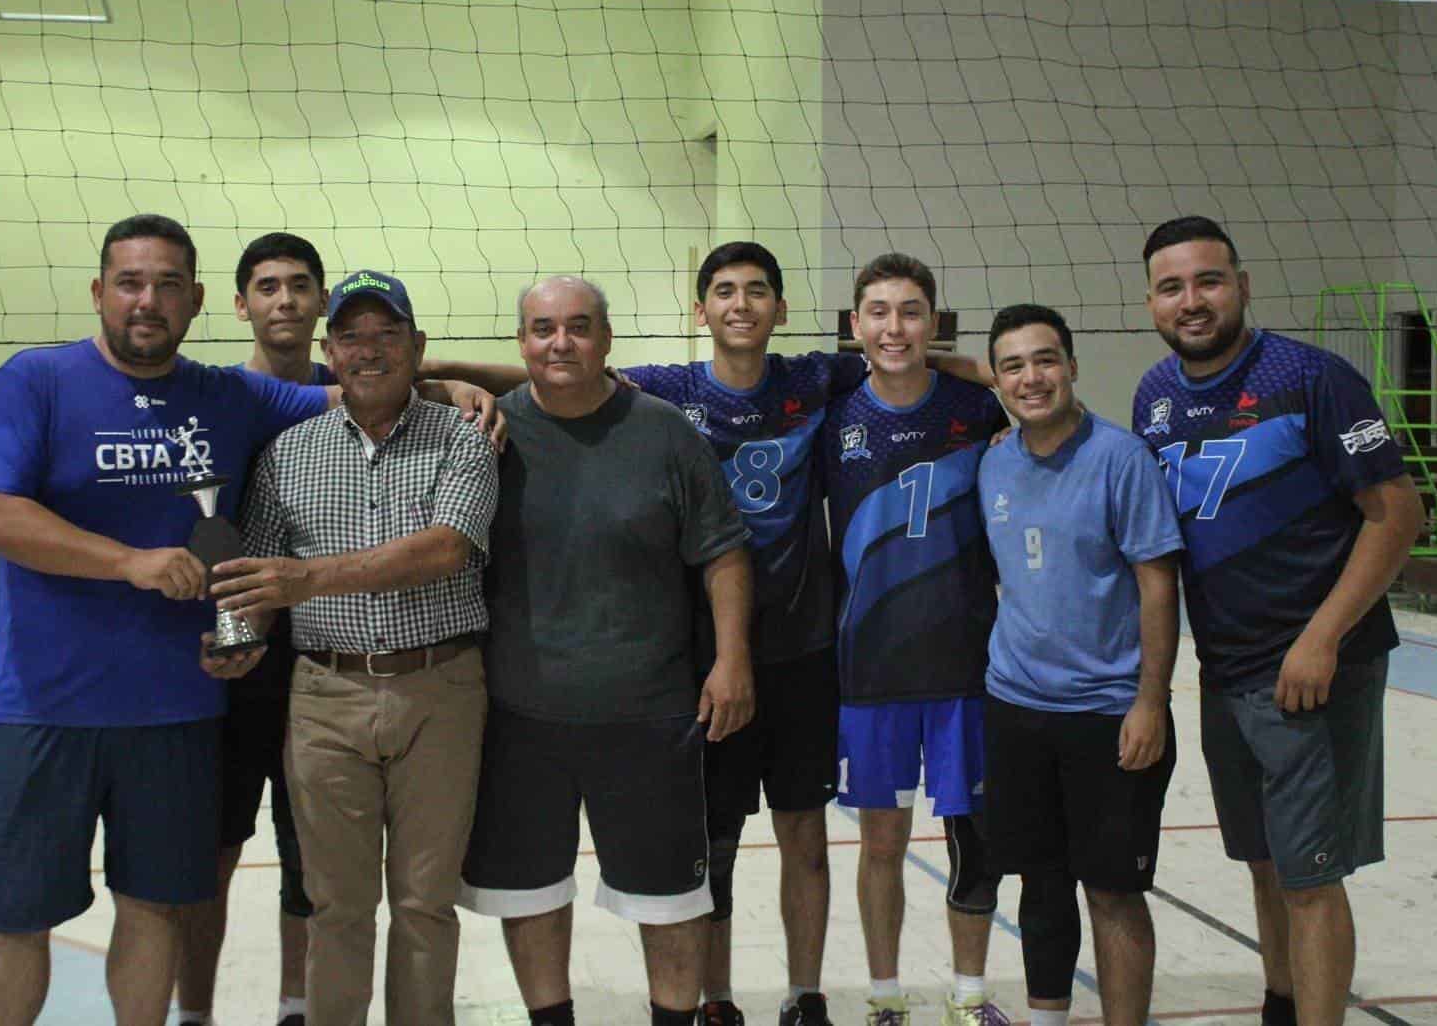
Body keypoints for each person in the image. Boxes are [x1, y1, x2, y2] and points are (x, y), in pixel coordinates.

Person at [425, 241, 992, 1026]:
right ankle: (717, 1000)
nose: (741, 304)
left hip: (800, 650)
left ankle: (805, 995)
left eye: (758, 291)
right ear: (702, 311)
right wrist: (446, 377)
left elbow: (914, 366)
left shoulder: (815, 378)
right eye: (724, 291)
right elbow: (546, 377)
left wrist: (1004, 377)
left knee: (802, 835)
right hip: (697, 660)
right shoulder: (666, 390)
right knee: (713, 848)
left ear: (782, 311)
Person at [0, 214, 332, 1026]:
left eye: (167, 285)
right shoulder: (34, 382)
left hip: (178, 712)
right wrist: (127, 561)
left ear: (197, 300)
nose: (147, 300)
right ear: (99, 293)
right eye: (130, 282)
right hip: (46, 710)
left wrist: (458, 383)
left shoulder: (230, 394)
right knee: (18, 916)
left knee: (156, 907)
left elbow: (364, 387)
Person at [1132, 216, 1423, 1026]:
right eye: (1172, 286)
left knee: (1310, 876)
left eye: (1209, 281)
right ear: (1151, 301)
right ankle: (1282, 1005)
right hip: (1227, 671)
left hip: (1315, 668)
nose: (1192, 301)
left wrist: (1321, 637)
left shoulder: (1313, 378)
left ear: (1243, 285)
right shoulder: (1155, 396)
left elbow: (1396, 513)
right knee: (1263, 861)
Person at [206, 269, 500, 1026]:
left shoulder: (462, 440)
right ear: (328, 353)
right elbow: (259, 582)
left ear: (419, 347)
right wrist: (238, 639)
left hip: (439, 691)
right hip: (325, 700)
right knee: (334, 904)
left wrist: (306, 579)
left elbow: (445, 550)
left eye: (386, 334)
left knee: (425, 903)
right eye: (351, 336)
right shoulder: (288, 453)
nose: (368, 351)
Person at [458, 275, 755, 1026]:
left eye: (579, 326)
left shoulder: (665, 432)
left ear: (607, 338)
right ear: (521, 341)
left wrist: (732, 660)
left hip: (650, 711)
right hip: (521, 712)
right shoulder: (485, 435)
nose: (561, 343)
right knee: (529, 891)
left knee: (671, 898)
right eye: (544, 328)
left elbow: (722, 552)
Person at [977, 304, 1183, 1026]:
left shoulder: (1121, 459)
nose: (1031, 377)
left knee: (1114, 892)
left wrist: (1149, 703)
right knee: (1040, 880)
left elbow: (1159, 585)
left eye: (1045, 360)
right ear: (996, 379)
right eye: (1013, 366)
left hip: (1109, 714)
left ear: (1071, 365)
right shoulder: (994, 459)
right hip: (1017, 709)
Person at [819, 254, 1010, 1026]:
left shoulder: (979, 405)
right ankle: (885, 997)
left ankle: (968, 995)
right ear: (856, 323)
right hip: (870, 670)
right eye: (879, 312)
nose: (894, 326)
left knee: (972, 844)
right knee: (882, 846)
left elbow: (1050, 401)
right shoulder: (831, 414)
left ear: (934, 323)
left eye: (910, 312)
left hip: (968, 667)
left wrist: (986, 369)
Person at [173, 232, 335, 1026]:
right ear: (240, 304)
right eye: (266, 287)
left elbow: (427, 381)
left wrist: (463, 387)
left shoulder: (358, 387)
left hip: (330, 661)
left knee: (310, 863)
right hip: (237, 662)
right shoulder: (216, 396)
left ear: (322, 300)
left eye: (299, 285)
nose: (284, 300)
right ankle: (196, 1013)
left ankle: (296, 1008)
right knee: (214, 852)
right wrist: (235, 627)